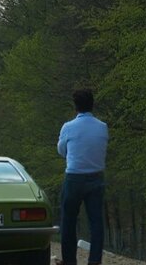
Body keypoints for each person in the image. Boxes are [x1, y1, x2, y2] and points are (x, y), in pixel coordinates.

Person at [56, 89, 108, 265]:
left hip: (74, 178)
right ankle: (94, 261)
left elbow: (61, 151)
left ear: (75, 106)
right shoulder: (102, 127)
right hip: (96, 177)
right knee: (96, 222)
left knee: (68, 221)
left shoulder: (68, 127)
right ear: (92, 104)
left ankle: (70, 261)